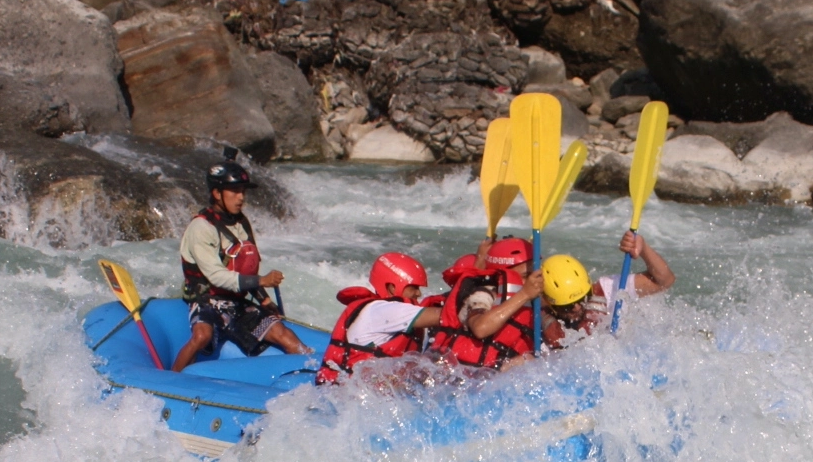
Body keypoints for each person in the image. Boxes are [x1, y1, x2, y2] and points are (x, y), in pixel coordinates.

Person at [172, 162, 312, 372]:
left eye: (243, 191)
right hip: (206, 301)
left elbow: (246, 267)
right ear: (217, 193)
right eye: (235, 191)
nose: (241, 197)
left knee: (282, 333)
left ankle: (314, 369)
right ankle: (172, 378)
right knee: (202, 336)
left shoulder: (241, 223)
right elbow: (216, 276)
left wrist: (262, 297)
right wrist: (261, 280)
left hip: (236, 301)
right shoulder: (201, 228)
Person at [315, 253, 447, 385]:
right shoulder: (382, 311)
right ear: (391, 287)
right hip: (348, 392)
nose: (419, 293)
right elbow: (442, 316)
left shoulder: (384, 312)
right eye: (414, 287)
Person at [541, 230, 675, 347]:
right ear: (551, 304)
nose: (577, 307)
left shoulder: (609, 289)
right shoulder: (536, 315)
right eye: (567, 306)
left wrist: (643, 248)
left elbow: (665, 280)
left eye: (583, 298)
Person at [429, 237, 544, 370]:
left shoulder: (532, 299)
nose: (531, 281)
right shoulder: (483, 294)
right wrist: (524, 294)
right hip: (463, 376)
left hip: (494, 374)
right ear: (503, 273)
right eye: (525, 275)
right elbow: (480, 328)